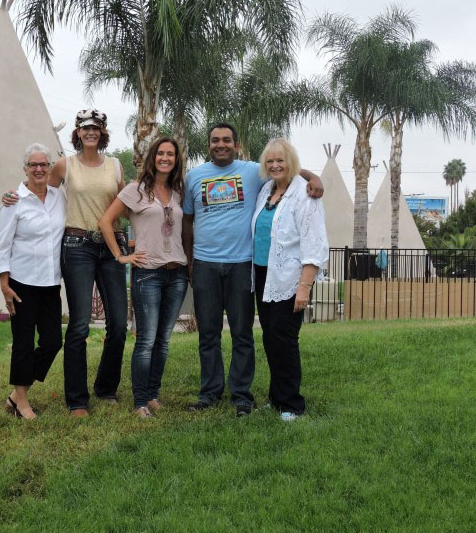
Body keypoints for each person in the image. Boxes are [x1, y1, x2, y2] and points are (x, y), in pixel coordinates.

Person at [181, 123, 324, 417]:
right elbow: (187, 220)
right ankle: (209, 392)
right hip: (209, 265)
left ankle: (241, 395)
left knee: (243, 334)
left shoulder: (251, 172)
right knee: (208, 334)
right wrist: (189, 259)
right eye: (215, 140)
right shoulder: (196, 176)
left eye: (226, 140)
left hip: (241, 267)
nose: (220, 144)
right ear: (209, 145)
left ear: (237, 145)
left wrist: (314, 176)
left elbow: (287, 169)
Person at [3, 109, 127, 417]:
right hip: (77, 247)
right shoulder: (64, 165)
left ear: (103, 132)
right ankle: (77, 400)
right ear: (77, 132)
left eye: (96, 128)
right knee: (79, 325)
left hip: (111, 247)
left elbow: (125, 204)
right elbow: (38, 184)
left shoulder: (115, 165)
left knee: (120, 325)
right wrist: (12, 196)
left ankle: (106, 388)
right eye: (85, 128)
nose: (90, 132)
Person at [99, 137, 187, 418]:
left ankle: (153, 395)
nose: (165, 158)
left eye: (170, 154)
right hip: (148, 274)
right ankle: (140, 402)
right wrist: (121, 256)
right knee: (146, 340)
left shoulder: (178, 191)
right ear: (153, 157)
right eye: (160, 153)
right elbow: (105, 221)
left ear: (176, 160)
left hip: (177, 273)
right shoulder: (135, 190)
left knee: (163, 340)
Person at [251, 138, 328, 421]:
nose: (274, 165)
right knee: (271, 339)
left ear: (291, 162)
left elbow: (314, 244)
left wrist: (304, 287)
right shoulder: (265, 191)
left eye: (280, 160)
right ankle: (276, 397)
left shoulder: (305, 195)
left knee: (285, 339)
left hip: (290, 279)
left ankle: (292, 404)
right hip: (263, 275)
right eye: (270, 161)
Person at [0, 143, 66, 420]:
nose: (38, 169)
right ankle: (22, 404)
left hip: (50, 283)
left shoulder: (59, 197)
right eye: (33, 165)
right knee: (23, 343)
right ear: (25, 169)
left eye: (43, 164)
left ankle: (15, 394)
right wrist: (4, 284)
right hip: (22, 283)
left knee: (52, 342)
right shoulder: (14, 201)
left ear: (49, 168)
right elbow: (3, 245)